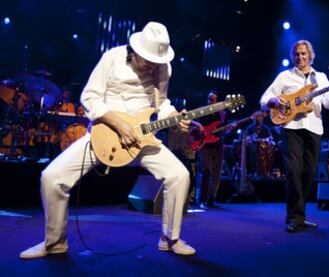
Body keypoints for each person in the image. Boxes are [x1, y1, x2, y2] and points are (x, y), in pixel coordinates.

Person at [19, 21, 196, 259]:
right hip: (106, 133)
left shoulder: (162, 68)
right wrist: (119, 124)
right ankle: (54, 242)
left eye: (156, 63)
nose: (152, 67)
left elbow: (161, 103)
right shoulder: (112, 58)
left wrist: (175, 118)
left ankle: (170, 238)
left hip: (142, 138)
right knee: (52, 177)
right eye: (148, 61)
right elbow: (89, 96)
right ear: (135, 52)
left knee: (179, 175)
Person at [260, 40, 329, 233]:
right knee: (293, 170)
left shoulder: (321, 78)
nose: (300, 57)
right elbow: (264, 100)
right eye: (297, 54)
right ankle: (294, 217)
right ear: (293, 56)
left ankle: (301, 216)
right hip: (291, 126)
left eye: (304, 54)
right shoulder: (285, 76)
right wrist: (274, 101)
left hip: (314, 128)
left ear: (310, 55)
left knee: (308, 172)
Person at [197, 91, 227, 209]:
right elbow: (194, 125)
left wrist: (229, 129)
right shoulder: (201, 111)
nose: (212, 101)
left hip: (218, 144)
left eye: (214, 99)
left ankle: (211, 199)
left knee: (217, 172)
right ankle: (202, 200)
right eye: (210, 99)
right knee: (206, 171)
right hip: (204, 144)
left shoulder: (222, 113)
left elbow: (223, 130)